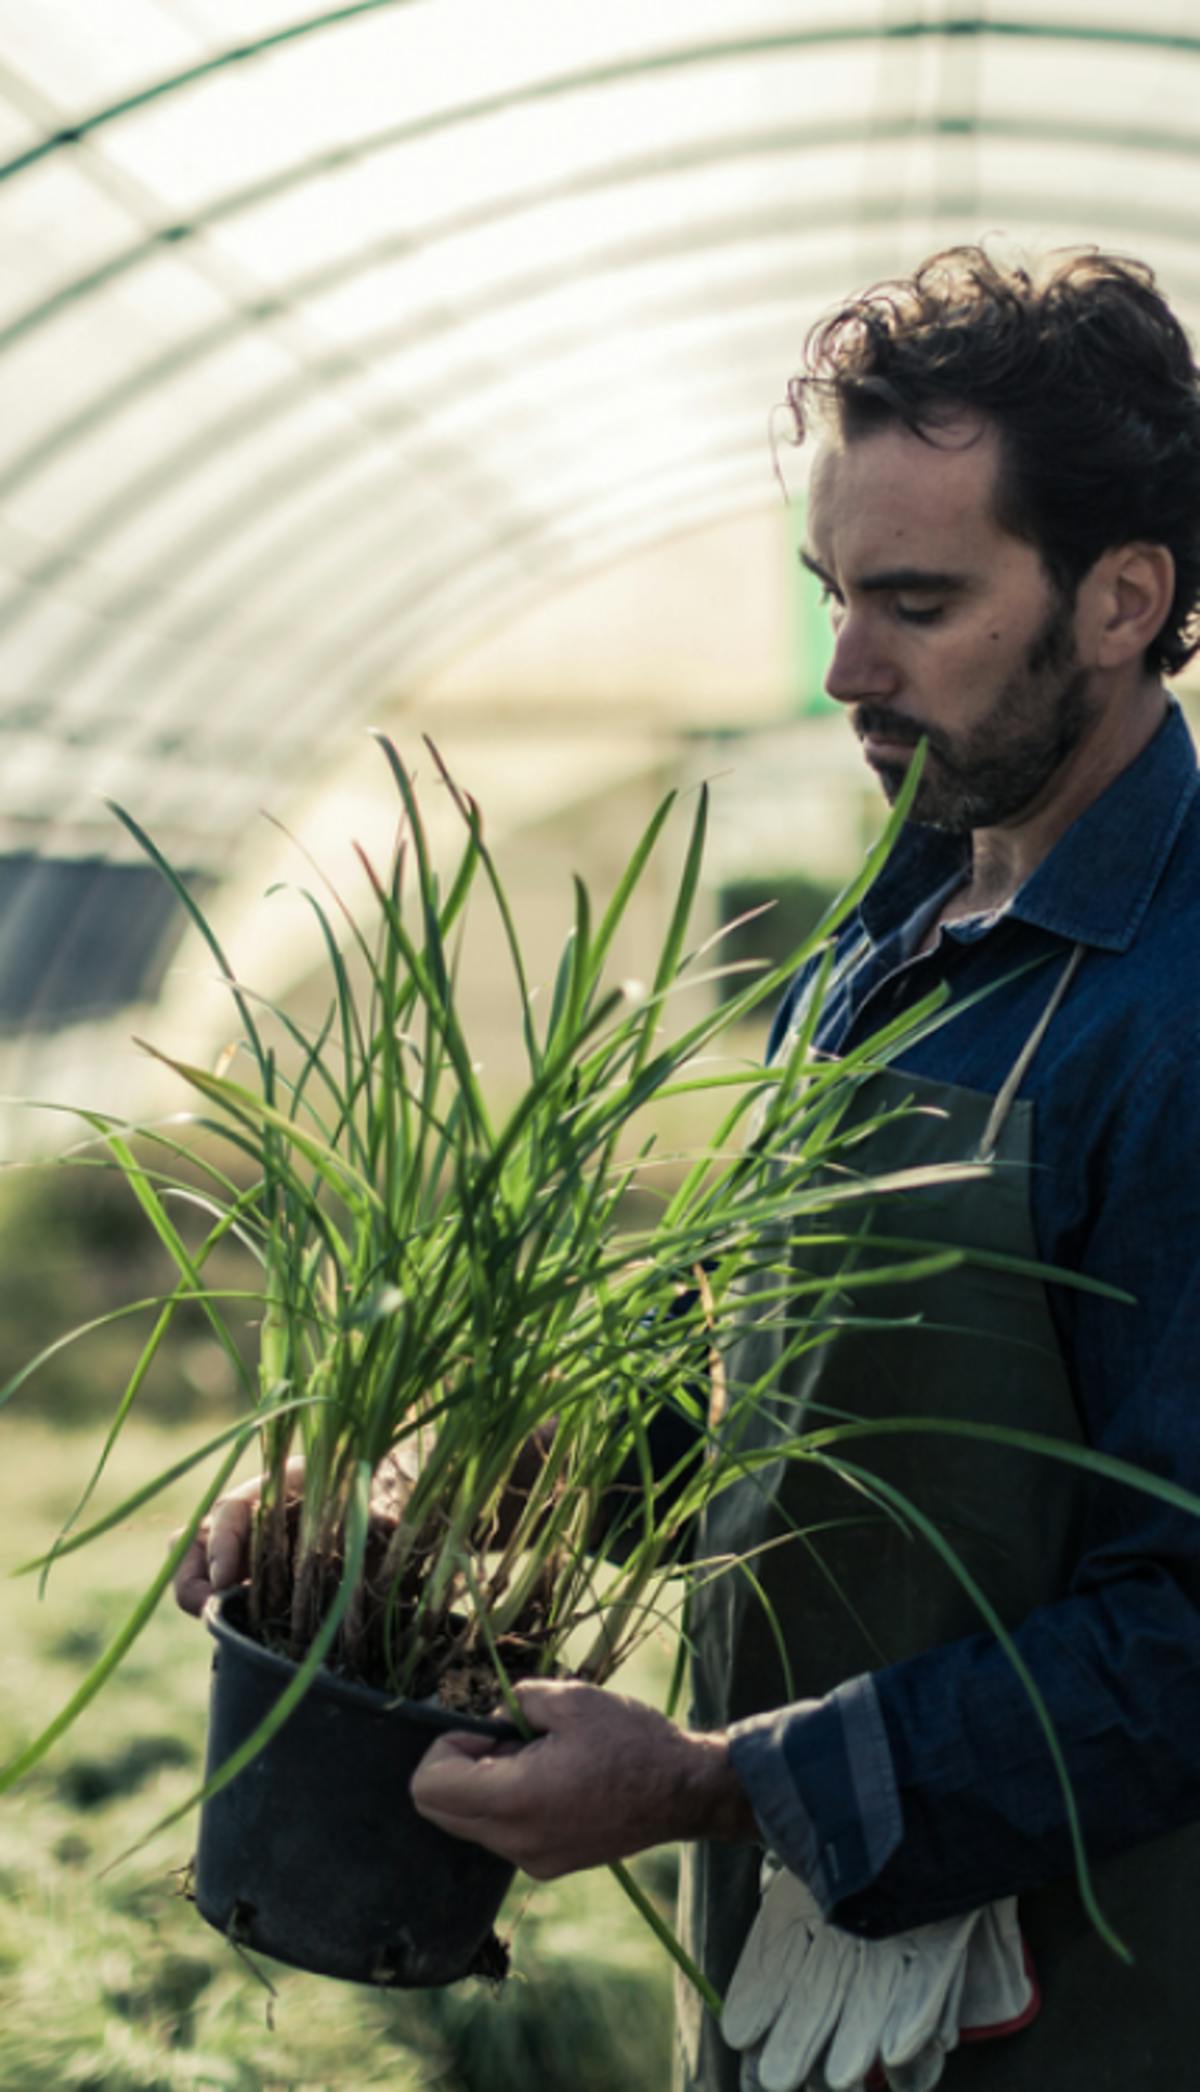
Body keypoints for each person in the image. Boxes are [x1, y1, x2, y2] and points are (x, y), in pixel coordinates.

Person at [177, 247, 1200, 2092]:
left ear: (1123, 598)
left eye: (917, 602)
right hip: (781, 1970)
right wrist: (408, 1506)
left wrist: (719, 1785)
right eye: (832, 594)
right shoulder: (885, 943)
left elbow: (1184, 1641)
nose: (846, 669)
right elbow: (758, 1395)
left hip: (1077, 1999)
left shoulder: (1178, 1015)